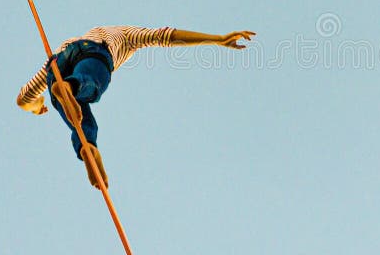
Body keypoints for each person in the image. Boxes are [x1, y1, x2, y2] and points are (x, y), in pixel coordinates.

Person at [17, 25, 255, 188]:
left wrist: (36, 106)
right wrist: (217, 39)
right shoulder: (127, 37)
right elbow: (167, 36)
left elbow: (24, 98)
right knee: (92, 82)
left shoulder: (64, 48)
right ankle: (77, 102)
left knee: (79, 119)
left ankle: (87, 147)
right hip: (94, 53)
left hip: (55, 65)